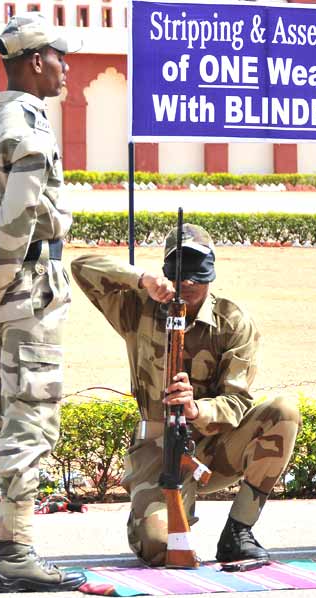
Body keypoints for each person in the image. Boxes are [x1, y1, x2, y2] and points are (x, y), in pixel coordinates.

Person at [70, 224, 300, 566]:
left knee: (283, 410)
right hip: (158, 448)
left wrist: (196, 409)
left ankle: (238, 532)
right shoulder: (138, 308)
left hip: (215, 446)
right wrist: (141, 279)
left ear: (211, 274)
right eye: (180, 274)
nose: (188, 284)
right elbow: (82, 268)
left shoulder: (232, 321)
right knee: (159, 548)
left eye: (197, 274)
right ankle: (150, 516)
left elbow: (237, 402)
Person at [0, 12, 84, 592]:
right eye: (58, 57)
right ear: (34, 61)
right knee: (31, 416)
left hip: (6, 289)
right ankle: (16, 548)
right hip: (23, 289)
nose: (65, 67)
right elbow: (21, 212)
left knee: (0, 418)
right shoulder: (26, 120)